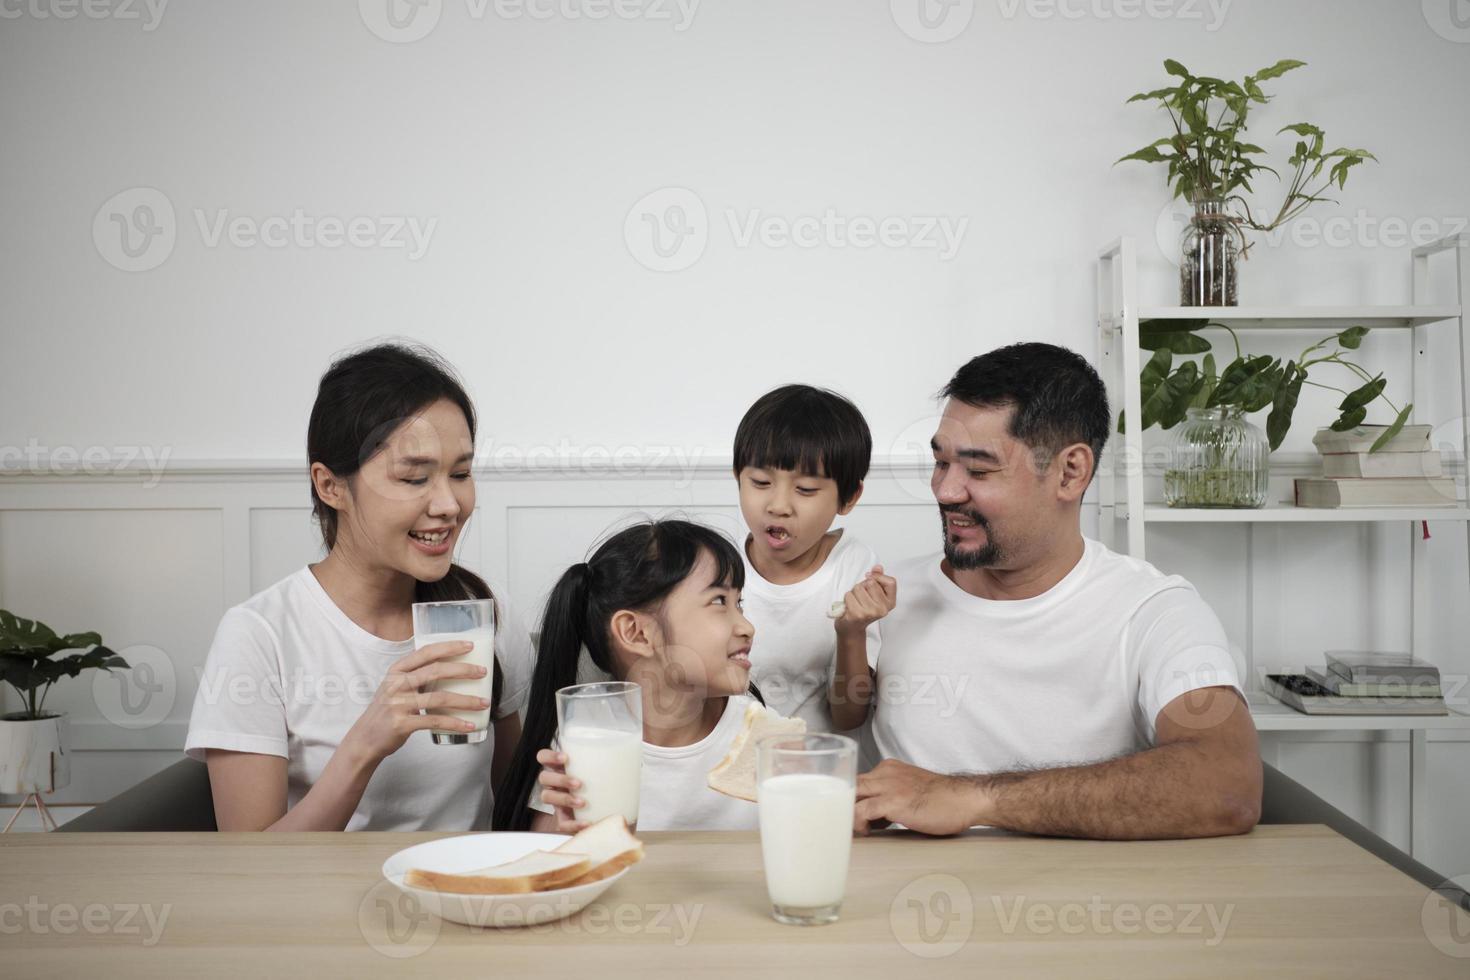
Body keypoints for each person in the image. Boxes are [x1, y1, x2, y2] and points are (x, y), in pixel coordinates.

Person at [858, 343, 1262, 840]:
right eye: (940, 462)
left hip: (1093, 906)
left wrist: (971, 796)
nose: (945, 491)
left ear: (1071, 473)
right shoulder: (880, 601)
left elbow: (1227, 784)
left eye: (979, 470)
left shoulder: (1154, 611)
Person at [184, 343, 534, 831]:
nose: (449, 504)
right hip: (323, 906)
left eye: (461, 473)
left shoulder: (485, 612)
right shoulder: (259, 636)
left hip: (467, 901)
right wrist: (365, 746)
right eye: (414, 478)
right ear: (331, 486)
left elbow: (514, 814)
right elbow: (250, 868)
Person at [494, 519, 780, 832]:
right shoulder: (583, 745)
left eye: (739, 603)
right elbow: (550, 867)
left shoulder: (764, 734)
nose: (746, 626)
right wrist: (576, 836)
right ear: (637, 633)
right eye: (718, 601)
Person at [732, 384, 896, 734]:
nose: (778, 505)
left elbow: (850, 716)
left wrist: (851, 631)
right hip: (740, 770)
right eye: (760, 482)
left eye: (805, 490)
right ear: (738, 478)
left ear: (848, 497)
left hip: (823, 770)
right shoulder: (720, 564)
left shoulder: (853, 565)